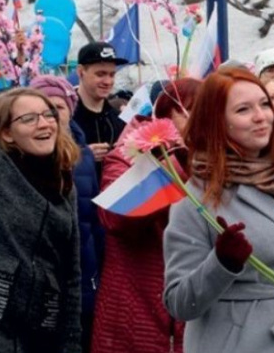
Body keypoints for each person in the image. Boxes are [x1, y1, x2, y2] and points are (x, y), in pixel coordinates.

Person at [163, 68, 274, 353]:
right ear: (217, 122)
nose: (261, 116)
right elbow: (179, 303)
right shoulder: (197, 198)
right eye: (243, 110)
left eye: (264, 104)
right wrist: (220, 264)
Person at [92, 78, 200, 353]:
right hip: (138, 310)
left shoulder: (214, 159)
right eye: (191, 110)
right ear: (165, 114)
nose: (202, 120)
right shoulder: (127, 155)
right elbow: (115, 217)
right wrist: (178, 164)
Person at [0, 88, 81, 352]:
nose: (45, 123)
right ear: (6, 133)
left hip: (42, 335)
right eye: (29, 119)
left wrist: (70, 344)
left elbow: (71, 274)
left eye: (49, 115)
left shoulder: (63, 182)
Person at [30, 75, 103, 352]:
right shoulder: (21, 159)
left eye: (56, 108)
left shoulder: (82, 158)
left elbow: (94, 221)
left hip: (82, 274)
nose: (49, 118)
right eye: (40, 109)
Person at [72, 41, 128, 176]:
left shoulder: (119, 119)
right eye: (100, 74)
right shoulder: (66, 116)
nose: (108, 81)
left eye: (112, 75)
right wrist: (81, 156)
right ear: (81, 72)